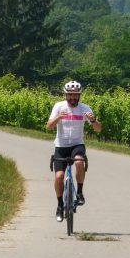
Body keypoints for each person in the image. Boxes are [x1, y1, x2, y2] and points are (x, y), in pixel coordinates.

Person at [46, 80, 102, 222]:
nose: (73, 98)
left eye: (75, 95)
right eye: (70, 95)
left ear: (79, 95)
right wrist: (59, 117)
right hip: (61, 146)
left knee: (79, 162)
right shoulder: (58, 106)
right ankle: (60, 205)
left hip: (77, 144)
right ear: (65, 95)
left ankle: (80, 193)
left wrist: (94, 120)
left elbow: (98, 129)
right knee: (59, 176)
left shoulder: (84, 108)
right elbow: (48, 127)